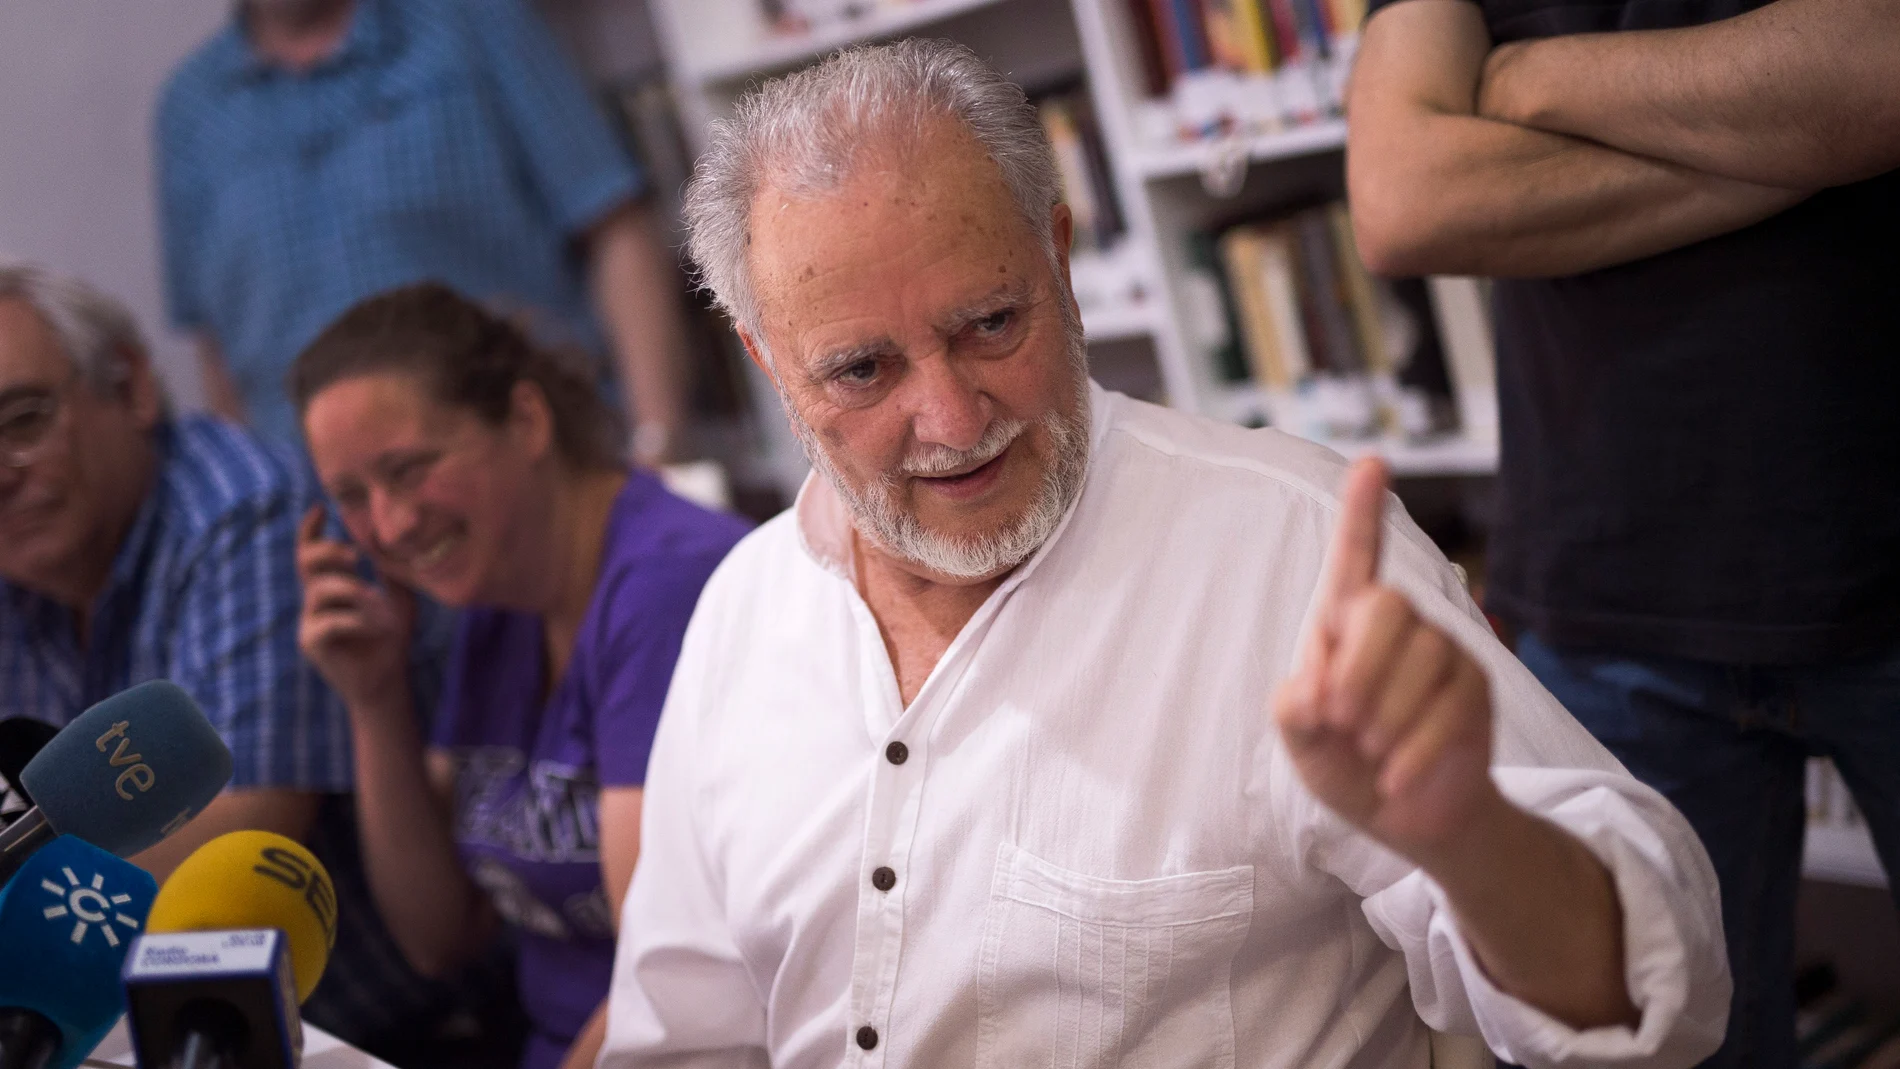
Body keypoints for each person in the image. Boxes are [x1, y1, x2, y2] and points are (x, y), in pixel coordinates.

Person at [596, 40, 1729, 1069]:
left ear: (1059, 255)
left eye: (991, 322)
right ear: (762, 358)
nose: (948, 417)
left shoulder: (1287, 550)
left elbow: (1659, 998)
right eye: (862, 371)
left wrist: (1470, 837)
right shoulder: (744, 611)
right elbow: (683, 1035)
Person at [1344, 0, 1900, 1062]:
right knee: (1664, 1038)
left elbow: (1881, 73)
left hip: (1880, 549)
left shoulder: (1515, 67)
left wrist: (1523, 81)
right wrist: (1804, 141)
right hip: (1606, 605)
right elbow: (1405, 199)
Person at [0, 260, 478, 1056]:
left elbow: (239, 818)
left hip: (372, 1034)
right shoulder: (24, 570)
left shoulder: (247, 512)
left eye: (22, 419)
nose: (1, 473)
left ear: (132, 386)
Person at [289, 283, 749, 1069]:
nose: (391, 525)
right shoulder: (495, 596)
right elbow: (439, 937)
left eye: (409, 469)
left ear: (527, 420)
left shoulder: (664, 585)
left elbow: (667, 976)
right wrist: (375, 696)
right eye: (352, 497)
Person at [156, 0, 689, 463]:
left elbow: (615, 225)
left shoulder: (473, 24)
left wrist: (657, 444)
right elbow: (217, 350)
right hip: (332, 519)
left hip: (525, 469)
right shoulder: (189, 109)